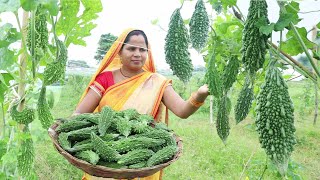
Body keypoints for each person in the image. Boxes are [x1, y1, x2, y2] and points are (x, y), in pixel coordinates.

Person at [74, 28, 209, 180]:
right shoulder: (105, 79)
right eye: (131, 48)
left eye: (142, 49)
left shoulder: (156, 81)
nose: (137, 54)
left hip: (141, 159)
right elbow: (78, 115)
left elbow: (182, 111)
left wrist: (200, 95)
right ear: (119, 51)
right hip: (106, 157)